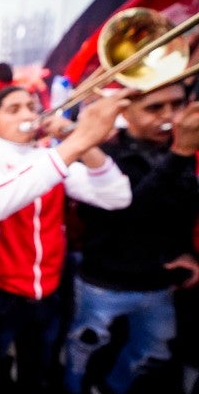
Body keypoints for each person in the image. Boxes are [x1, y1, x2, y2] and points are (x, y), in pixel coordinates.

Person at [0, 85, 134, 393]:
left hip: (51, 288)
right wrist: (76, 142)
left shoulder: (51, 156)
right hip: (1, 292)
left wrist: (79, 139)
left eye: (30, 106)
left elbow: (117, 196)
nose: (27, 114)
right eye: (13, 110)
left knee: (38, 369)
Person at [63, 83, 199, 394]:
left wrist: (190, 254)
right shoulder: (101, 156)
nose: (170, 116)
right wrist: (180, 154)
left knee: (153, 354)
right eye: (154, 108)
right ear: (125, 112)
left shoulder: (183, 150)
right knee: (84, 353)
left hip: (159, 285)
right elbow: (128, 213)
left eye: (177, 105)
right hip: (105, 285)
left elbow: (184, 212)